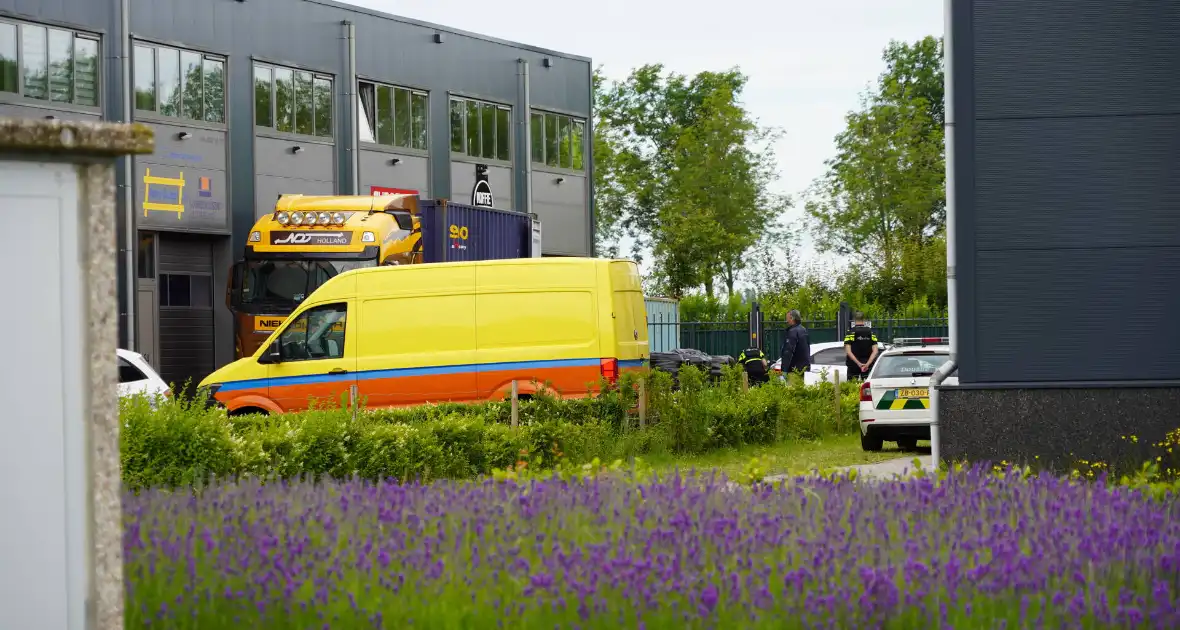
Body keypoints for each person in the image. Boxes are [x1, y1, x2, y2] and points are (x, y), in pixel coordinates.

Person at [843, 311, 880, 380]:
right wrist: (867, 364)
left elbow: (848, 351)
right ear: (864, 320)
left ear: (854, 320)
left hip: (853, 365)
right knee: (866, 387)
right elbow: (875, 351)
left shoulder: (850, 333)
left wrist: (858, 363)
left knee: (852, 386)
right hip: (867, 366)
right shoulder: (871, 333)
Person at [779, 309, 811, 381]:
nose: (786, 320)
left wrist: (784, 369)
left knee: (792, 390)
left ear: (792, 318)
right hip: (803, 369)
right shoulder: (804, 330)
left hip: (794, 369)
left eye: (787, 318)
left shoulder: (792, 332)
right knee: (799, 390)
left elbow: (788, 351)